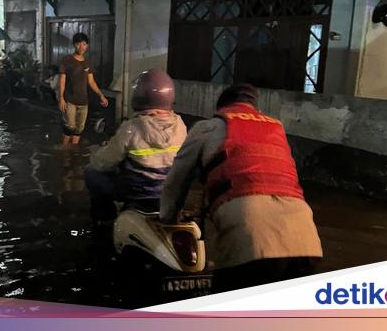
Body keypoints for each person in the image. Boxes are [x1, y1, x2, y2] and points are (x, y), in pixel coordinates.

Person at [159, 83, 323, 293]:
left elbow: (175, 183)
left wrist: (168, 221)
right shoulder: (276, 128)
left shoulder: (207, 127)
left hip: (249, 239)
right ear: (255, 108)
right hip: (305, 240)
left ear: (221, 108)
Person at [85, 69, 187, 224]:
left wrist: (94, 154)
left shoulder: (132, 128)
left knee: (91, 172)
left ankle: (104, 222)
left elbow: (104, 162)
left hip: (138, 194)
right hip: (170, 194)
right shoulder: (180, 125)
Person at [58, 32, 109, 146]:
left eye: (84, 44)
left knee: (79, 129)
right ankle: (64, 151)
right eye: (78, 44)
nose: (81, 47)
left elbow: (91, 81)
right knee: (69, 127)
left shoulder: (88, 62)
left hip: (84, 101)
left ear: (87, 46)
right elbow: (62, 80)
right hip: (70, 100)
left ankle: (73, 151)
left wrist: (101, 95)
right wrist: (61, 98)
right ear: (74, 45)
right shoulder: (67, 60)